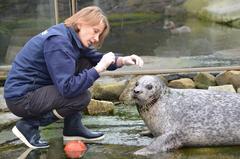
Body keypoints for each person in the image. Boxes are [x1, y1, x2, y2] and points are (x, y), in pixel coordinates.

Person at [4, 6, 144, 149]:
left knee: (85, 62)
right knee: (81, 97)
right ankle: (28, 126)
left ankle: (73, 128)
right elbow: (68, 88)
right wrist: (98, 69)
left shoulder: (71, 36)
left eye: (99, 35)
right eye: (95, 31)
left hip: (36, 91)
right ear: (81, 22)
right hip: (22, 97)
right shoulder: (59, 41)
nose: (96, 39)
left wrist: (122, 60)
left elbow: (95, 57)